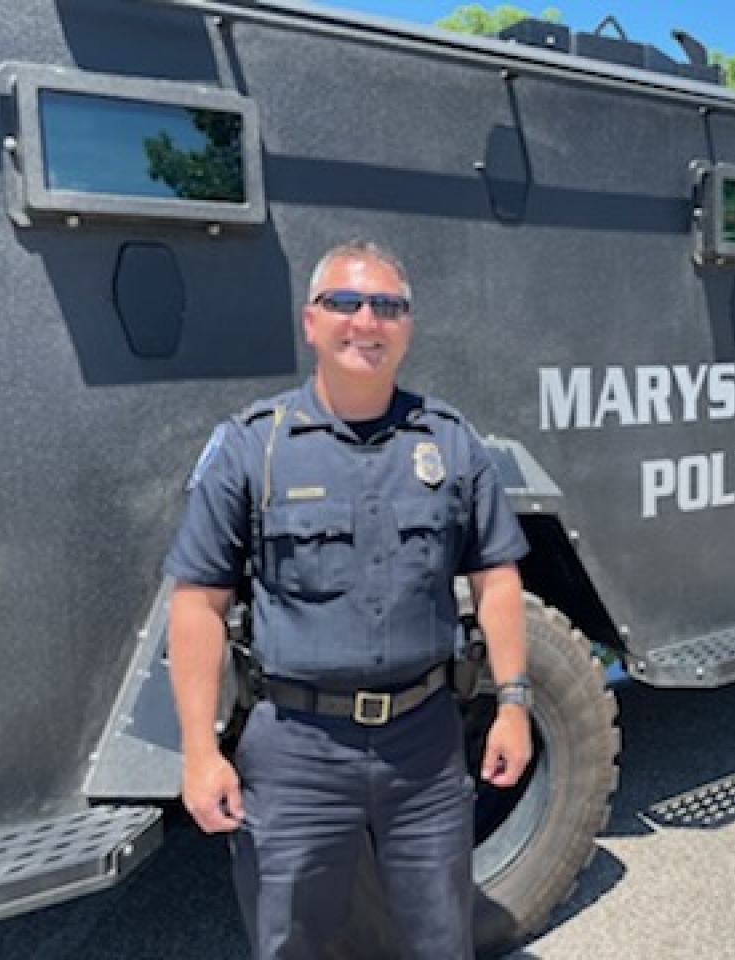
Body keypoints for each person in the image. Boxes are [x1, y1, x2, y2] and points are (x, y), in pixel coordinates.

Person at [165, 240, 532, 960]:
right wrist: (199, 752)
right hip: (297, 748)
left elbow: (498, 580)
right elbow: (197, 604)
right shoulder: (255, 448)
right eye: (345, 302)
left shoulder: (451, 443)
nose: (367, 320)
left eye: (387, 306)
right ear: (311, 322)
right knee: (293, 943)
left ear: (408, 326)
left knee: (438, 940)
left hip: (425, 743)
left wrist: (514, 705)